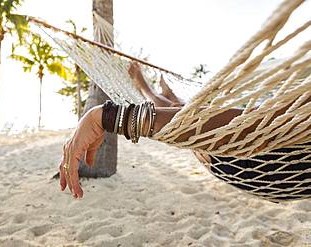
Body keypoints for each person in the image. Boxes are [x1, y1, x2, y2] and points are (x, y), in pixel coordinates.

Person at [59, 62, 310, 201]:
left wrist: (111, 117)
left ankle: (155, 92)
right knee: (180, 110)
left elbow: (254, 126)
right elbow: (263, 123)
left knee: (182, 112)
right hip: (249, 152)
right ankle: (160, 95)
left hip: (243, 156)